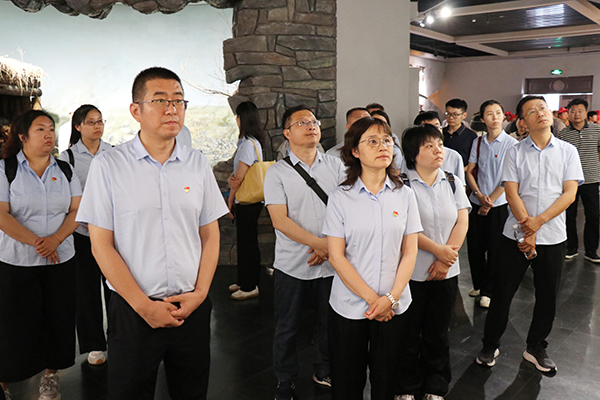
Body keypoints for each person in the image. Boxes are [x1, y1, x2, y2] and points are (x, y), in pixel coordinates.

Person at [76, 67, 228, 399]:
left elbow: (210, 234)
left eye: (178, 100)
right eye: (160, 100)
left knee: (192, 391)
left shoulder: (197, 163)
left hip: (190, 307)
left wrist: (201, 293)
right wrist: (144, 306)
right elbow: (101, 245)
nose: (172, 109)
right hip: (134, 311)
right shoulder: (109, 166)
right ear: (136, 110)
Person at [477, 96, 583, 373]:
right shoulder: (514, 152)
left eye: (543, 108)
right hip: (515, 235)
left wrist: (537, 224)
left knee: (547, 296)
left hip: (553, 236)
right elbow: (511, 193)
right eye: (532, 111)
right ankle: (490, 344)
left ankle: (536, 346)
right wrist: (527, 227)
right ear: (523, 122)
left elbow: (570, 194)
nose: (540, 113)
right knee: (503, 293)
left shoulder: (568, 151)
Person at [323, 117, 421, 400]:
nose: (383, 146)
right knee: (346, 382)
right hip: (349, 305)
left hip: (394, 305)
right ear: (355, 151)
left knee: (387, 380)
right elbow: (336, 256)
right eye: (373, 141)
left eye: (387, 140)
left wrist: (390, 298)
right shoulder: (340, 197)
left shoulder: (405, 195)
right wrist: (374, 300)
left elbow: (410, 251)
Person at [0, 110, 82, 400]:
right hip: (17, 261)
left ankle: (50, 376)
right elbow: (2, 215)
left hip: (60, 259)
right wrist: (39, 243)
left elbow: (77, 210)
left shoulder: (65, 170)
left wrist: (55, 240)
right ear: (22, 136)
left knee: (57, 318)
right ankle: (6, 379)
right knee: (13, 322)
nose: (49, 135)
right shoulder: (5, 169)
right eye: (40, 129)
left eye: (51, 129)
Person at [264, 105, 345, 400]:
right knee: (287, 326)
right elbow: (280, 220)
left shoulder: (337, 167)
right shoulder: (277, 172)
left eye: (313, 121)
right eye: (302, 122)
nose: (311, 126)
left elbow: (346, 211)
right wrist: (320, 244)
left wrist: (327, 247)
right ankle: (285, 379)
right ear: (287, 133)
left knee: (328, 322)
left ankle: (323, 370)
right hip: (292, 263)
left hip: (332, 262)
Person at [395, 124, 470, 400]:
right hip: (412, 271)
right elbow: (405, 228)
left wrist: (446, 259)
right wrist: (439, 251)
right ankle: (406, 386)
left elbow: (462, 220)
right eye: (429, 146)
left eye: (439, 144)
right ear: (413, 153)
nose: (439, 150)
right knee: (408, 332)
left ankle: (435, 386)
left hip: (446, 271)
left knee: (438, 332)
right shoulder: (401, 184)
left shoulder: (452, 181)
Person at [58, 105, 113, 366]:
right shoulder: (67, 157)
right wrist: (85, 221)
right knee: (86, 290)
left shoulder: (114, 153)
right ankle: (94, 346)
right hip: (81, 233)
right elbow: (66, 197)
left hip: (112, 232)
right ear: (78, 126)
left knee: (116, 286)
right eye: (91, 122)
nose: (97, 126)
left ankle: (120, 338)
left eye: (100, 121)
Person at [465, 100, 518, 309]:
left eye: (498, 113)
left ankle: (489, 290)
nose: (494, 117)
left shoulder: (511, 144)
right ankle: (479, 284)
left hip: (499, 205)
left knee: (495, 249)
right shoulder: (478, 142)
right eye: (489, 114)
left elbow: (508, 177)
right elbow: (470, 171)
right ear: (482, 119)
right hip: (477, 201)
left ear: (504, 117)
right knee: (475, 247)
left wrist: (490, 201)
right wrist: (478, 195)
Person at [227, 101, 266, 300]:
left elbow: (239, 178)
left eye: (238, 116)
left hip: (247, 201)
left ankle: (250, 285)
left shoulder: (249, 144)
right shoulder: (250, 142)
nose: (236, 120)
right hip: (248, 200)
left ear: (242, 119)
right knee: (245, 242)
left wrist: (230, 199)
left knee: (248, 243)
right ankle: (243, 280)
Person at [557, 98, 600, 262]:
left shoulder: (597, 130)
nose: (576, 114)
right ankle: (571, 247)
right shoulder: (563, 134)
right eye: (573, 111)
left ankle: (591, 250)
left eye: (580, 111)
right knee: (569, 215)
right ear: (568, 113)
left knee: (593, 215)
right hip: (570, 180)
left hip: (591, 178)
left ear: (586, 112)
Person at [412, 111, 465, 184]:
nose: (433, 131)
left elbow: (461, 186)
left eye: (437, 127)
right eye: (428, 128)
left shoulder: (454, 156)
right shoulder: (410, 156)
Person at [442, 99, 478, 169]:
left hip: (461, 173)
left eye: (455, 114)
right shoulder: (440, 133)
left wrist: (460, 171)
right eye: (447, 113)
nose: (450, 117)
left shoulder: (471, 136)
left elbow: (474, 161)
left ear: (464, 115)